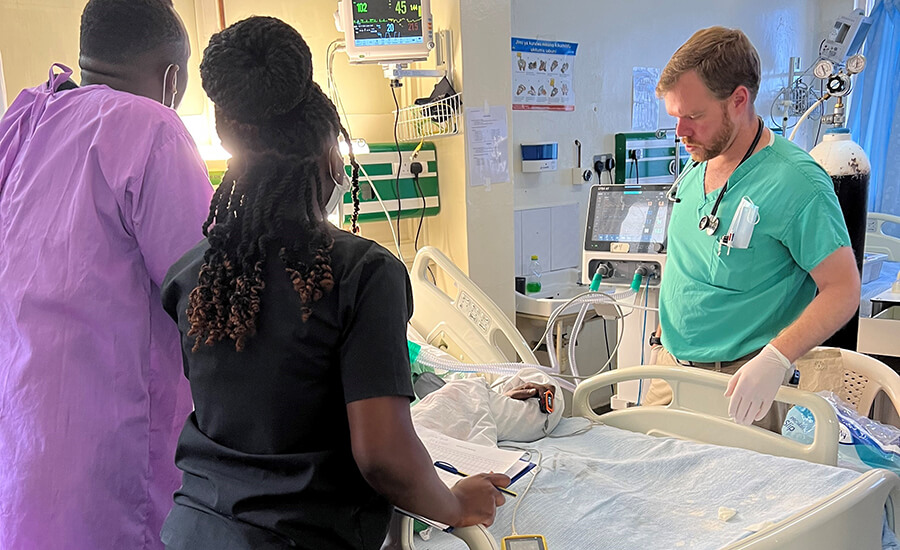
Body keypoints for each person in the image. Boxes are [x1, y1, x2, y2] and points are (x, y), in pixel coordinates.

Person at [159, 17, 508, 549]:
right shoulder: (363, 275)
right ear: (329, 152)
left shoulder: (191, 278)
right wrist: (457, 503)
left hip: (193, 532)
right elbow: (384, 458)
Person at [0, 1, 213, 548]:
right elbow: (210, 303)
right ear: (173, 77)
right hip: (107, 465)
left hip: (24, 441)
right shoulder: (152, 128)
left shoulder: (24, 122)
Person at [646, 26, 860, 430]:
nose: (681, 133)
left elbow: (844, 289)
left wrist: (775, 358)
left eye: (693, 116)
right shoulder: (698, 166)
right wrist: (662, 338)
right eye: (676, 117)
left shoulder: (796, 183)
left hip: (742, 385)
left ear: (739, 100)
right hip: (670, 372)